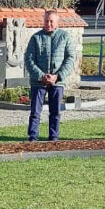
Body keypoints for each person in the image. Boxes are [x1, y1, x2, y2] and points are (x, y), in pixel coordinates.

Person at [24, 10, 76, 142]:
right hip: (38, 82)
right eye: (46, 21)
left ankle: (53, 138)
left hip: (57, 81)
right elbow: (29, 59)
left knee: (55, 112)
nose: (48, 24)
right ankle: (33, 137)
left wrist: (57, 76)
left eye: (51, 21)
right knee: (35, 112)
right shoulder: (36, 38)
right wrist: (41, 76)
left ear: (57, 22)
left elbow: (70, 59)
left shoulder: (65, 37)